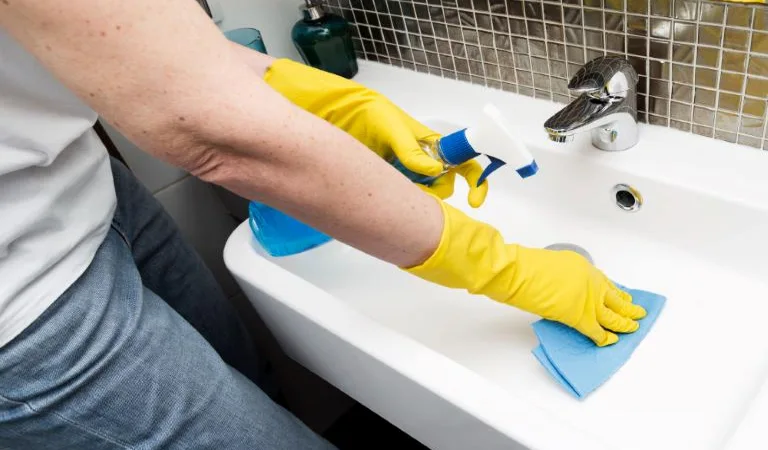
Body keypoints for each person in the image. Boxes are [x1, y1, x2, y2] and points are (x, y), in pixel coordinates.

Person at [0, 1, 645, 448]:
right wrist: (504, 267)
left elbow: (151, 48)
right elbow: (214, 135)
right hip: (22, 307)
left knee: (246, 376)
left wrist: (348, 103)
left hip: (76, 185)